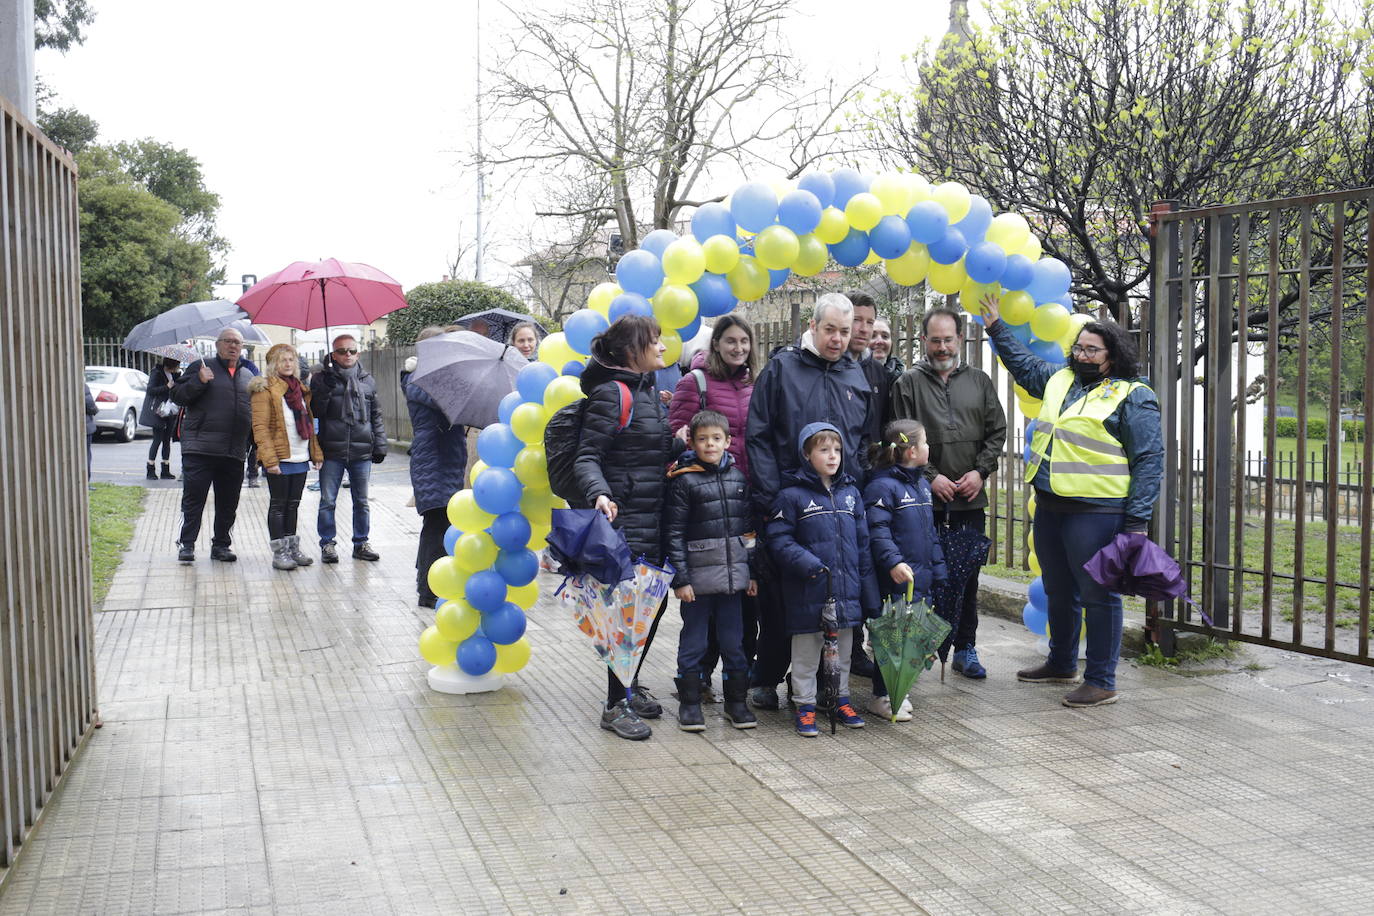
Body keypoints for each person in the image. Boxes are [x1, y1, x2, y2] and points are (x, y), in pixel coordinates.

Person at [981, 293, 1163, 707]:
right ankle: (1062, 661)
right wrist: (995, 327)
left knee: (1100, 595)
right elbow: (1025, 366)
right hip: (1051, 505)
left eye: (1090, 349)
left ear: (1111, 356)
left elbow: (1149, 461)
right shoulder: (1060, 378)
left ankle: (1101, 679)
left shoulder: (1132, 395)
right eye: (1078, 346)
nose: (1081, 353)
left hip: (1097, 512)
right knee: (1059, 588)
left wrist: (1137, 522)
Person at [745, 294, 875, 710]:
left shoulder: (856, 374)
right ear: (814, 327)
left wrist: (854, 490)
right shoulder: (783, 368)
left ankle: (825, 686)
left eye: (845, 329)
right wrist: (771, 496)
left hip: (838, 505)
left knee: (831, 595)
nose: (838, 339)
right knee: (783, 599)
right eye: (830, 330)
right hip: (788, 501)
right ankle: (766, 678)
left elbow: (861, 443)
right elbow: (759, 434)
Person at [571, 314, 675, 740]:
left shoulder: (646, 391)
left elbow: (649, 451)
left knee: (654, 607)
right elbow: (586, 456)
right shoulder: (612, 395)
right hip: (624, 518)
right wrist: (599, 493)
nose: (664, 348)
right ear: (634, 350)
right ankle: (615, 705)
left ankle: (628, 687)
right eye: (656, 341)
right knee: (628, 614)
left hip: (654, 515)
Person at [889, 306, 1007, 678]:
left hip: (970, 501)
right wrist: (930, 476)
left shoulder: (980, 381)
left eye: (948, 339)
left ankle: (965, 647)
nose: (942, 347)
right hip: (922, 503)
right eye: (935, 340)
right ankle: (918, 651)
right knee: (920, 578)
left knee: (968, 578)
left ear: (960, 339)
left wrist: (980, 471)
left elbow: (997, 432)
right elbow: (901, 436)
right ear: (924, 340)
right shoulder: (907, 383)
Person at [667, 315, 759, 698]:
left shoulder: (755, 384)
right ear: (717, 343)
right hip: (702, 500)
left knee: (739, 602)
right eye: (731, 341)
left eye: (745, 341)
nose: (739, 348)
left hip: (744, 495)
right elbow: (675, 436)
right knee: (704, 604)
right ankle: (697, 679)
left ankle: (738, 682)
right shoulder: (696, 382)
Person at [767, 423, 877, 737]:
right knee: (806, 653)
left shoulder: (851, 494)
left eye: (837, 450)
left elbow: (863, 546)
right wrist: (808, 563)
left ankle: (840, 699)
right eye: (823, 450)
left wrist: (867, 593)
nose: (832, 456)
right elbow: (779, 540)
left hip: (846, 592)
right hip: (808, 591)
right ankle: (804, 705)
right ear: (806, 454)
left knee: (842, 653)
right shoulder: (791, 496)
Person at [663, 409, 758, 732]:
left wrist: (752, 573)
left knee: (735, 642)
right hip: (697, 584)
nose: (710, 445)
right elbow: (673, 532)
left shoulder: (738, 478)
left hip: (733, 583)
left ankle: (736, 703)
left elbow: (748, 532)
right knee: (694, 642)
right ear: (691, 441)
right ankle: (690, 704)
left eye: (716, 439)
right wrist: (681, 579)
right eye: (702, 439)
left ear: (729, 442)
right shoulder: (683, 480)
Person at [862, 419, 948, 721]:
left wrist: (939, 569)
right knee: (892, 639)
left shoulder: (922, 486)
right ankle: (882, 696)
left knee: (911, 637)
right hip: (897, 580)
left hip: (921, 579)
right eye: (925, 443)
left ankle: (900, 690)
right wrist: (893, 562)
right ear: (911, 451)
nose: (929, 448)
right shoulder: (882, 487)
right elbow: (878, 531)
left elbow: (930, 534)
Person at [171, 328, 255, 562]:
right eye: (228, 341)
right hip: (200, 449)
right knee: (193, 499)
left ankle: (221, 545)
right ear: (218, 344)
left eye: (238, 342)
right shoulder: (201, 367)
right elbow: (178, 396)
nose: (233, 346)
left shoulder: (248, 375)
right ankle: (186, 544)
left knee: (228, 503)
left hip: (234, 451)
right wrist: (199, 381)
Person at [311, 333, 387, 563]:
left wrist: (380, 443)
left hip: (361, 451)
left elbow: (376, 415)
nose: (348, 355)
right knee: (328, 501)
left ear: (358, 353)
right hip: (331, 451)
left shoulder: (367, 380)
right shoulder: (320, 379)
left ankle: (361, 543)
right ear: (333, 354)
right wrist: (324, 389)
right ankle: (327, 544)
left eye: (352, 351)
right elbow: (315, 412)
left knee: (361, 501)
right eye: (342, 351)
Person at [406, 327, 468, 608]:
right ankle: (429, 592)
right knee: (436, 524)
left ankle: (428, 583)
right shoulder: (420, 380)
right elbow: (448, 404)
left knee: (438, 523)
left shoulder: (432, 378)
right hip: (433, 460)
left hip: (444, 459)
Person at [249, 344, 324, 570]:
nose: (288, 364)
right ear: (273, 365)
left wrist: (315, 453)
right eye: (283, 360)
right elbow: (260, 428)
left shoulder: (300, 390)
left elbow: (309, 425)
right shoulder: (265, 390)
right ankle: (279, 552)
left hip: (300, 456)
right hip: (280, 458)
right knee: (278, 505)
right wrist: (269, 460)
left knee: (293, 505)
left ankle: (292, 548)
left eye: (291, 359)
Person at [142, 357, 181, 480]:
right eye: (176, 366)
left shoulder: (173, 375)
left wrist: (177, 378)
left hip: (170, 411)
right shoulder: (157, 373)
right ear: (170, 365)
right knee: (157, 439)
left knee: (166, 441)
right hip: (159, 411)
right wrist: (167, 387)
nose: (177, 369)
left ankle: (165, 469)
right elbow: (150, 390)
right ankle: (150, 468)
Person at [870, 317, 905, 388]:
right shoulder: (852, 377)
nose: (879, 341)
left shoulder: (904, 381)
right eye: (872, 336)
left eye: (885, 336)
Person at [84, 380, 98, 491]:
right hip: (85, 426)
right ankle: (86, 482)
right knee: (86, 455)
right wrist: (95, 410)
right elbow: (90, 405)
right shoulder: (83, 386)